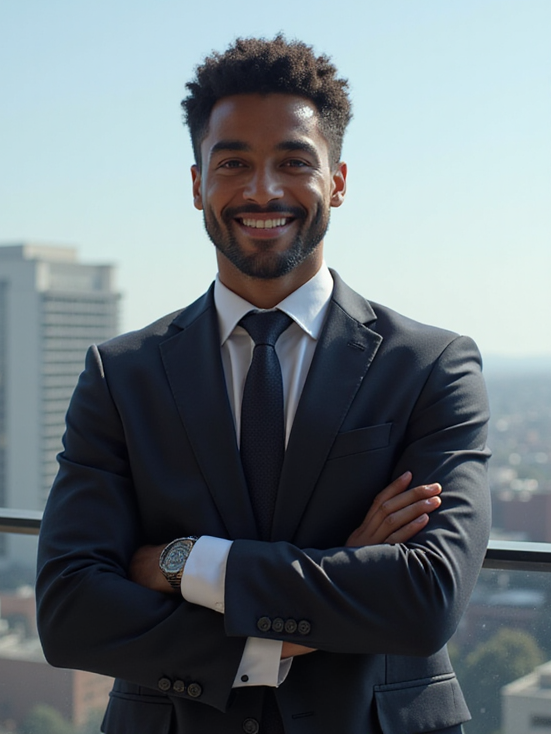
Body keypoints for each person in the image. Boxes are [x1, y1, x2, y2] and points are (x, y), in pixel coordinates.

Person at [36, 35, 491, 734]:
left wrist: (184, 563)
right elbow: (71, 611)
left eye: (292, 162)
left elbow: (424, 598)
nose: (261, 190)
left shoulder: (432, 367)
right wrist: (321, 593)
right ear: (196, 184)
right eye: (234, 163)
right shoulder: (118, 374)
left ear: (337, 180)